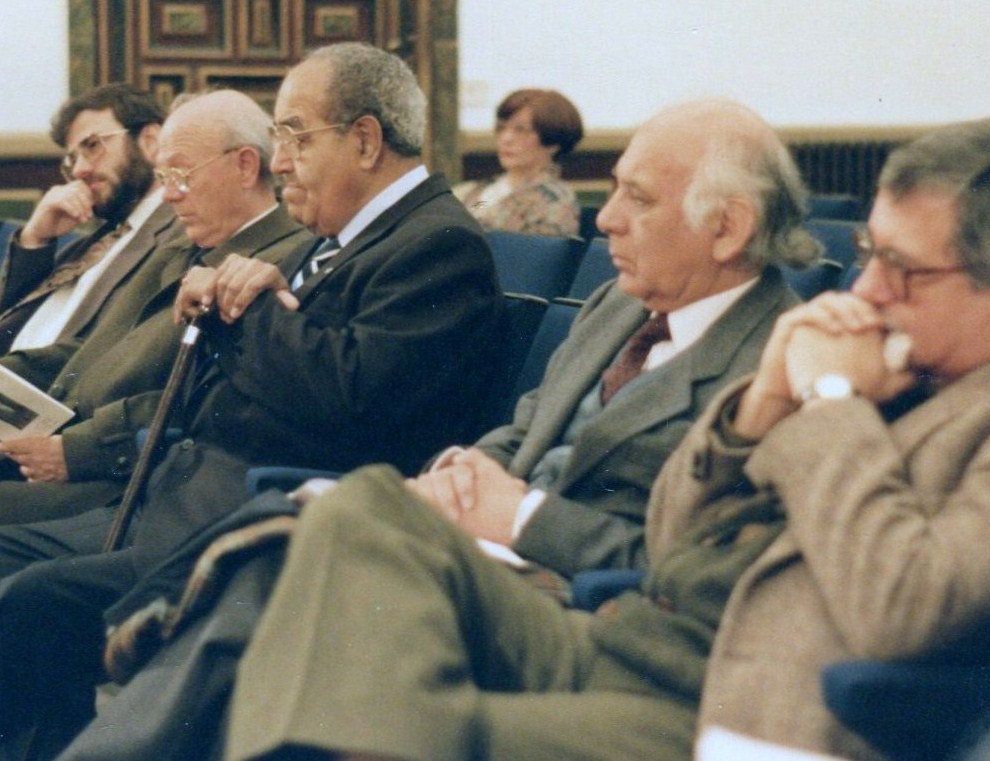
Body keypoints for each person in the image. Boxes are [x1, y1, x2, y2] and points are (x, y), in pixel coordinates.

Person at [222, 116, 990, 761]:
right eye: (867, 254)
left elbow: (908, 604)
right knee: (364, 509)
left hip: (732, 701)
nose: (869, 287)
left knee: (393, 719)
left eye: (904, 268)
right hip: (630, 635)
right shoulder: (911, 354)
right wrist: (765, 401)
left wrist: (825, 400)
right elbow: (673, 536)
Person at [52, 96, 818, 761]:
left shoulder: (781, 366)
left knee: (303, 565)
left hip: (570, 598)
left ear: (727, 227)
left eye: (638, 199)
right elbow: (523, 430)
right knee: (332, 531)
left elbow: (695, 567)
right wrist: (460, 478)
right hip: (480, 544)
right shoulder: (622, 305)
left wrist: (519, 515)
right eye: (613, 190)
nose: (606, 217)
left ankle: (154, 651)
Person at [0, 42, 504, 761]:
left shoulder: (439, 244)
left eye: (296, 135)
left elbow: (348, 399)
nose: (282, 160)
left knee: (34, 603)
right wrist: (224, 309)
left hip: (245, 524)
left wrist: (250, 309)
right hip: (179, 496)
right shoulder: (336, 243)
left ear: (364, 140)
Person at [0, 89, 310, 525]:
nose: (168, 196)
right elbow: (88, 348)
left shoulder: (277, 263)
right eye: (163, 177)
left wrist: (77, 451)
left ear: (245, 166)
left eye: (180, 174)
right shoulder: (181, 247)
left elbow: (203, 401)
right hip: (49, 442)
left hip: (117, 481)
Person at [0, 83, 183, 355]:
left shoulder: (182, 233)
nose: (80, 170)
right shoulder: (86, 245)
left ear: (150, 142)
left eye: (93, 145)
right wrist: (35, 239)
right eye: (73, 158)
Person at [454, 88, 583, 237]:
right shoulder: (471, 189)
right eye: (502, 128)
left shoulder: (556, 203)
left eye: (520, 130)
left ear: (552, 142)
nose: (506, 138)